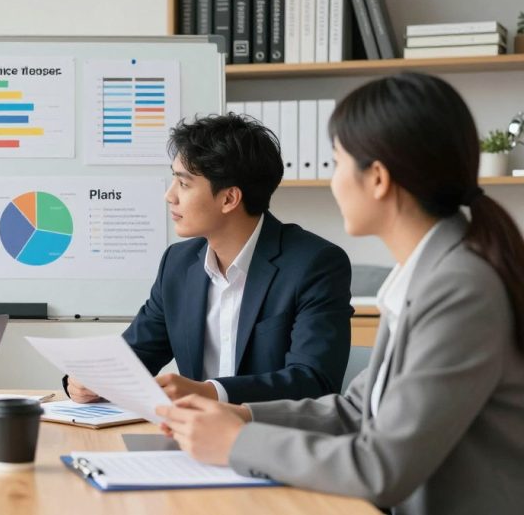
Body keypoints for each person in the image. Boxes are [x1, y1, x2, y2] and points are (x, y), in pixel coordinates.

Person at [157, 73, 524, 515]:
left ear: (378, 179)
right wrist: (245, 416)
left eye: (335, 163)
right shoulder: (429, 273)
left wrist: (238, 442)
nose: (332, 183)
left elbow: (381, 467)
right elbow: (356, 409)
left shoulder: (460, 289)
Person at [67, 113, 353, 405]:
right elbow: (134, 357)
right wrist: (85, 381)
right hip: (189, 440)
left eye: (184, 184)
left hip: (270, 440)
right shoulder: (178, 264)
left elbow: (314, 381)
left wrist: (210, 392)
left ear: (229, 199)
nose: (169, 195)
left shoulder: (314, 264)